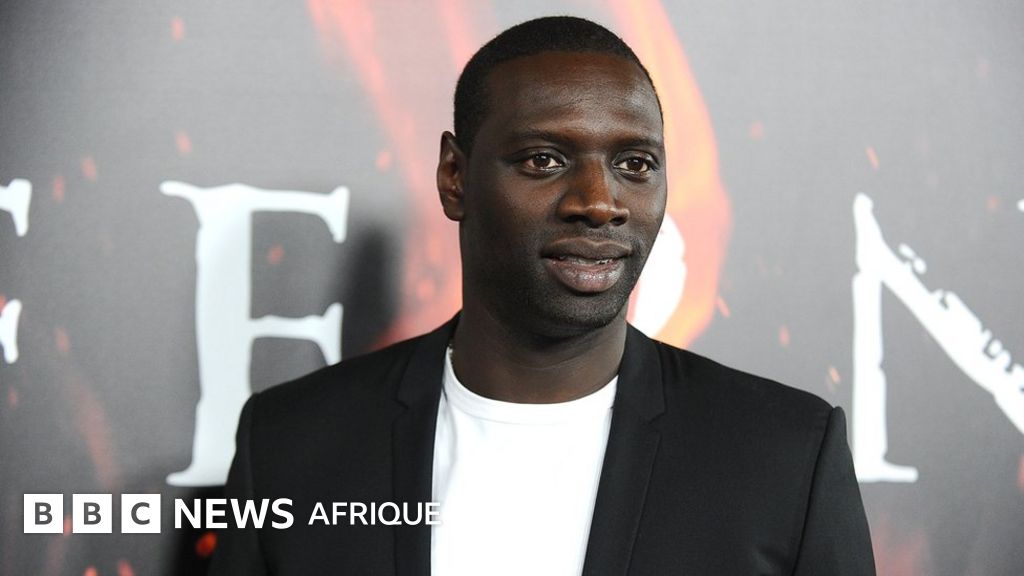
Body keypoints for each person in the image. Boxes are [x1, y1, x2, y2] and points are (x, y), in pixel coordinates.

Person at [209, 16, 875, 575]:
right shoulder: (291, 444)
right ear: (454, 177)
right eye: (544, 160)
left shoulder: (785, 455)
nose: (600, 202)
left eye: (635, 164)